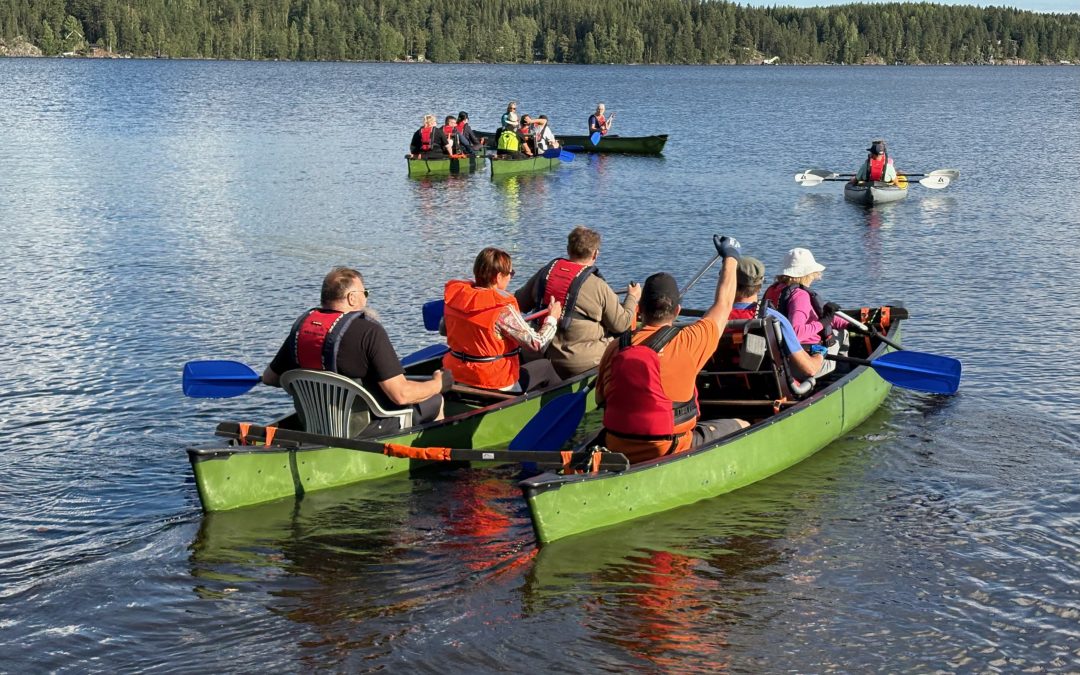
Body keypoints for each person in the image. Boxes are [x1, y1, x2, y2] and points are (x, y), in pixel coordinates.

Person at [595, 236, 749, 465]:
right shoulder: (689, 340)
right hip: (669, 446)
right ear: (677, 311)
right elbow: (724, 304)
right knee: (743, 425)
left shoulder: (616, 346)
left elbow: (601, 398)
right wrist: (731, 257)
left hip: (617, 442)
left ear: (639, 310)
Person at [262, 267, 451, 432]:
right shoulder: (369, 331)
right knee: (435, 401)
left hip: (315, 425)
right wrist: (438, 384)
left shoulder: (303, 329)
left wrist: (313, 385)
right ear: (352, 298)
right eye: (365, 293)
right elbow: (401, 395)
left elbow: (270, 378)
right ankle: (432, 460)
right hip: (363, 430)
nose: (366, 298)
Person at [515, 226, 641, 378]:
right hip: (576, 364)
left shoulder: (545, 272)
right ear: (595, 254)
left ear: (568, 249)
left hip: (537, 356)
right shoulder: (598, 286)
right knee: (623, 341)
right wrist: (632, 297)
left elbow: (519, 303)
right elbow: (621, 323)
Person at [442, 247, 563, 393]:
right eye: (510, 273)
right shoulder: (502, 309)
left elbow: (444, 328)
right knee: (545, 367)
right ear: (498, 277)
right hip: (493, 381)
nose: (511, 277)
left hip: (458, 374)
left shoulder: (455, 298)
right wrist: (552, 318)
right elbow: (537, 344)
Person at [730, 256, 828, 379]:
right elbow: (810, 369)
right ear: (759, 287)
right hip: (770, 387)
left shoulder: (714, 317)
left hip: (722, 384)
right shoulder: (775, 319)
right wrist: (819, 353)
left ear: (728, 284)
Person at [762, 248, 850, 349]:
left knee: (844, 329)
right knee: (843, 334)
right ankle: (844, 365)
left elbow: (816, 317)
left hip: (780, 349)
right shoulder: (799, 296)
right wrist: (823, 323)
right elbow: (796, 333)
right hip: (808, 352)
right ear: (807, 274)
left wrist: (848, 325)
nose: (815, 277)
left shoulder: (773, 289)